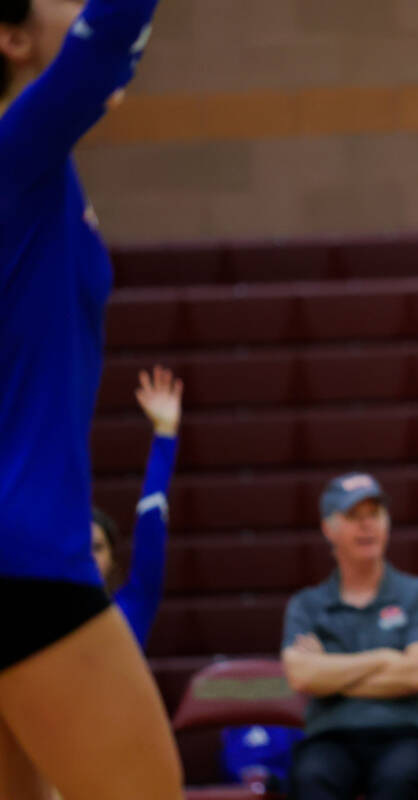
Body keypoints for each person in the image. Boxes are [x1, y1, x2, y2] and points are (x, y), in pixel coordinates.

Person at [0, 0, 181, 797]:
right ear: (9, 38)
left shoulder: (35, 165)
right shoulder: (17, 152)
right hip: (25, 554)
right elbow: (109, 35)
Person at [281, 472, 418, 800]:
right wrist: (386, 659)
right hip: (330, 738)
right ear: (328, 528)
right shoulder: (307, 605)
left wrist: (330, 671)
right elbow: (302, 676)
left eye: (374, 514)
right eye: (353, 517)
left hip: (409, 735)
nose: (367, 525)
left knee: (401, 778)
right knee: (311, 776)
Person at [91, 365, 182, 648]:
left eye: (96, 548)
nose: (88, 557)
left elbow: (151, 519)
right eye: (79, 548)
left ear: (112, 560)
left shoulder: (134, 603)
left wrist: (165, 432)